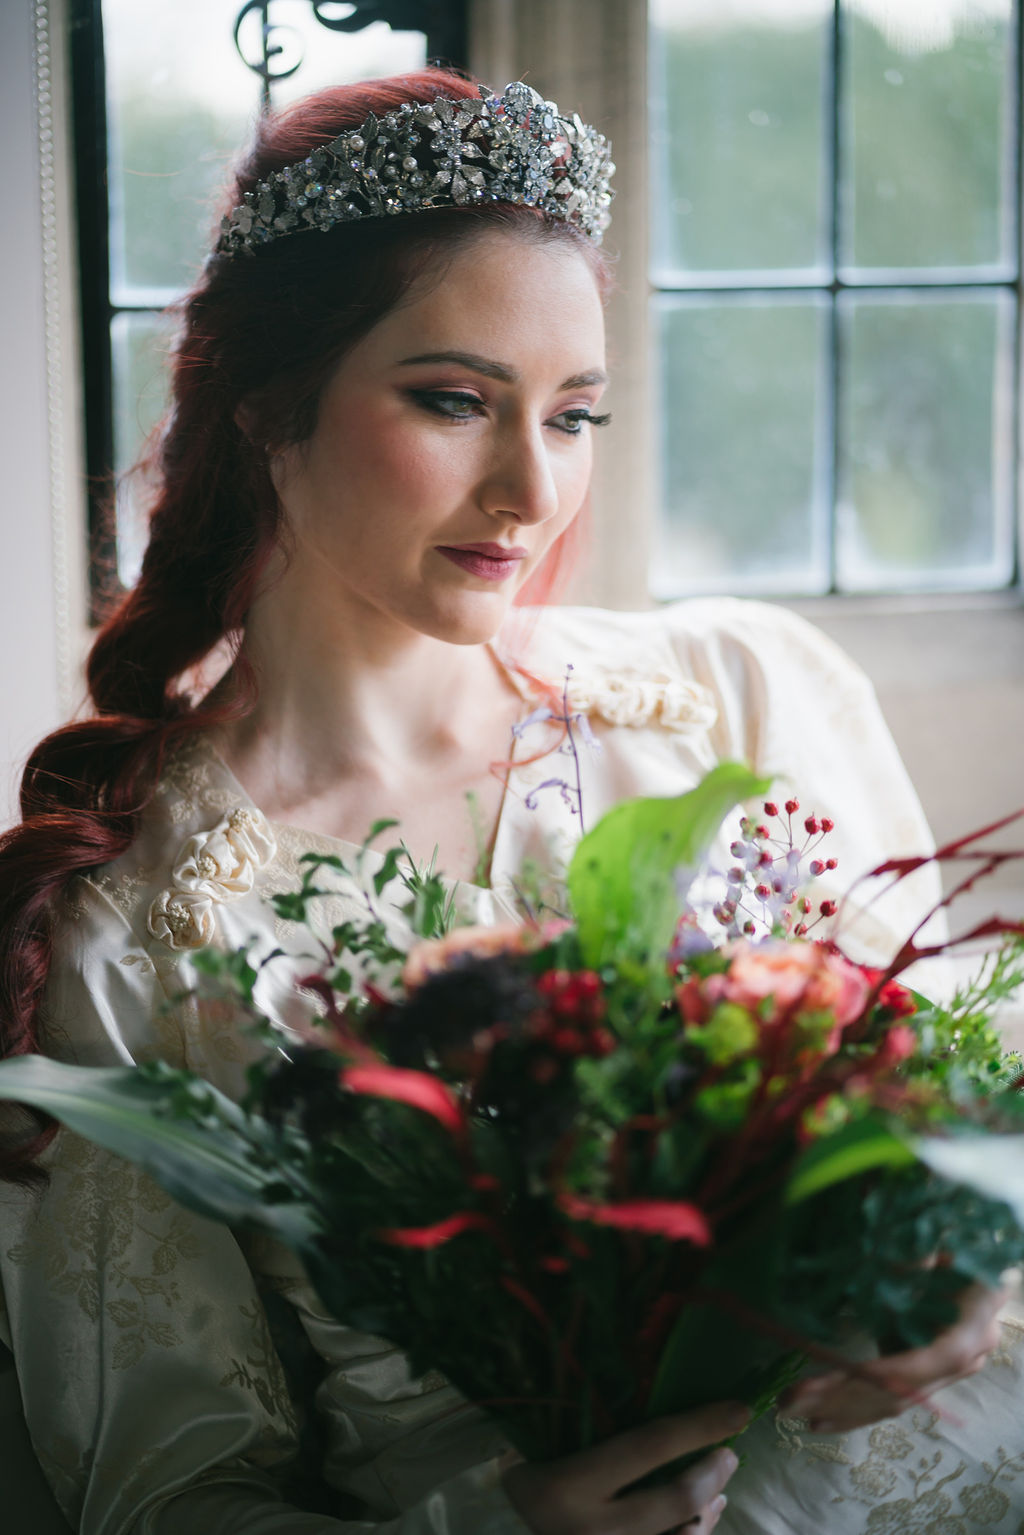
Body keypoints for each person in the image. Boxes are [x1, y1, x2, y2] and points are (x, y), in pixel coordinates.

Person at [0, 69, 1013, 1535]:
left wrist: (952, 1272)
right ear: (271, 405)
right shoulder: (130, 930)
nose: (532, 490)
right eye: (456, 401)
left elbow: (953, 1113)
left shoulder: (735, 697)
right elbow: (175, 1489)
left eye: (577, 413)